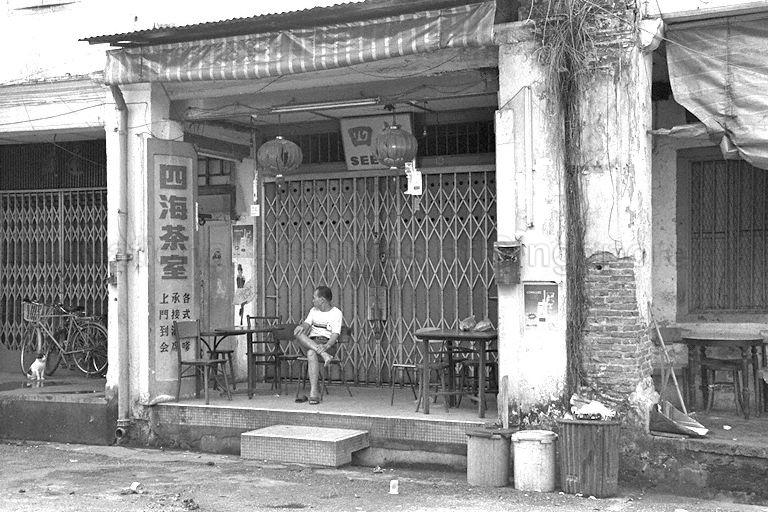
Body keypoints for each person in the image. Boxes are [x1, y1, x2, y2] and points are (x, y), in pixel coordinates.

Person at [293, 285, 343, 405]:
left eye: (314, 297)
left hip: (327, 344)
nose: (313, 300)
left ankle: (314, 392)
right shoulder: (313, 311)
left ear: (322, 300)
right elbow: (307, 324)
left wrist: (327, 346)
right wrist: (301, 327)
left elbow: (335, 335)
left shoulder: (336, 313)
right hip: (312, 342)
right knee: (298, 333)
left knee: (311, 353)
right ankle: (324, 355)